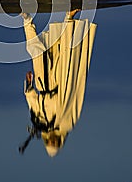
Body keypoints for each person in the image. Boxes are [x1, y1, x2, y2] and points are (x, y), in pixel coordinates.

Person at [19, 11, 97, 157]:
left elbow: (33, 105)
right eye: (54, 144)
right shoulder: (66, 124)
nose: (52, 142)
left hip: (42, 84)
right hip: (59, 83)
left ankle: (27, 20)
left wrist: (29, 86)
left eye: (50, 143)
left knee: (36, 51)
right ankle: (69, 18)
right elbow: (70, 102)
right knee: (64, 53)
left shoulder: (39, 124)